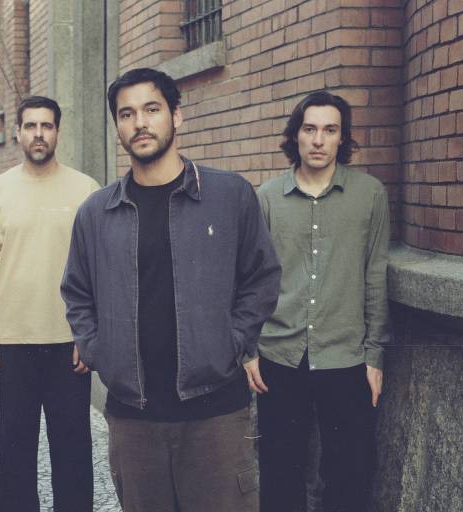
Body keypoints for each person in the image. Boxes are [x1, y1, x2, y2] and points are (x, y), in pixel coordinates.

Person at [61, 67, 281, 512]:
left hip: (214, 413)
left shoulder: (229, 195)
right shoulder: (97, 212)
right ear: (118, 126)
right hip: (133, 417)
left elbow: (261, 278)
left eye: (151, 109)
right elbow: (77, 292)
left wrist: (231, 342)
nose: (139, 122)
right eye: (127, 114)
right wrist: (102, 352)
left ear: (177, 117)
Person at [255, 91, 391, 512]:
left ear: (342, 138)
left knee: (349, 472)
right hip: (279, 354)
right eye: (309, 129)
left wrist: (375, 356)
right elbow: (253, 280)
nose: (318, 139)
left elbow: (374, 274)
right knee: (279, 471)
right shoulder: (267, 197)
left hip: (346, 354)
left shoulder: (369, 195)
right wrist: (247, 350)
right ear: (295, 136)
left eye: (329, 130)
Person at [0, 96, 99, 512]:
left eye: (46, 126)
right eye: (30, 126)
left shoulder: (86, 190)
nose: (38, 134)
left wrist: (89, 334)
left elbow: (99, 269)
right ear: (18, 133)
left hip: (68, 342)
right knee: (14, 451)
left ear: (58, 131)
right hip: (12, 342)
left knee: (73, 450)